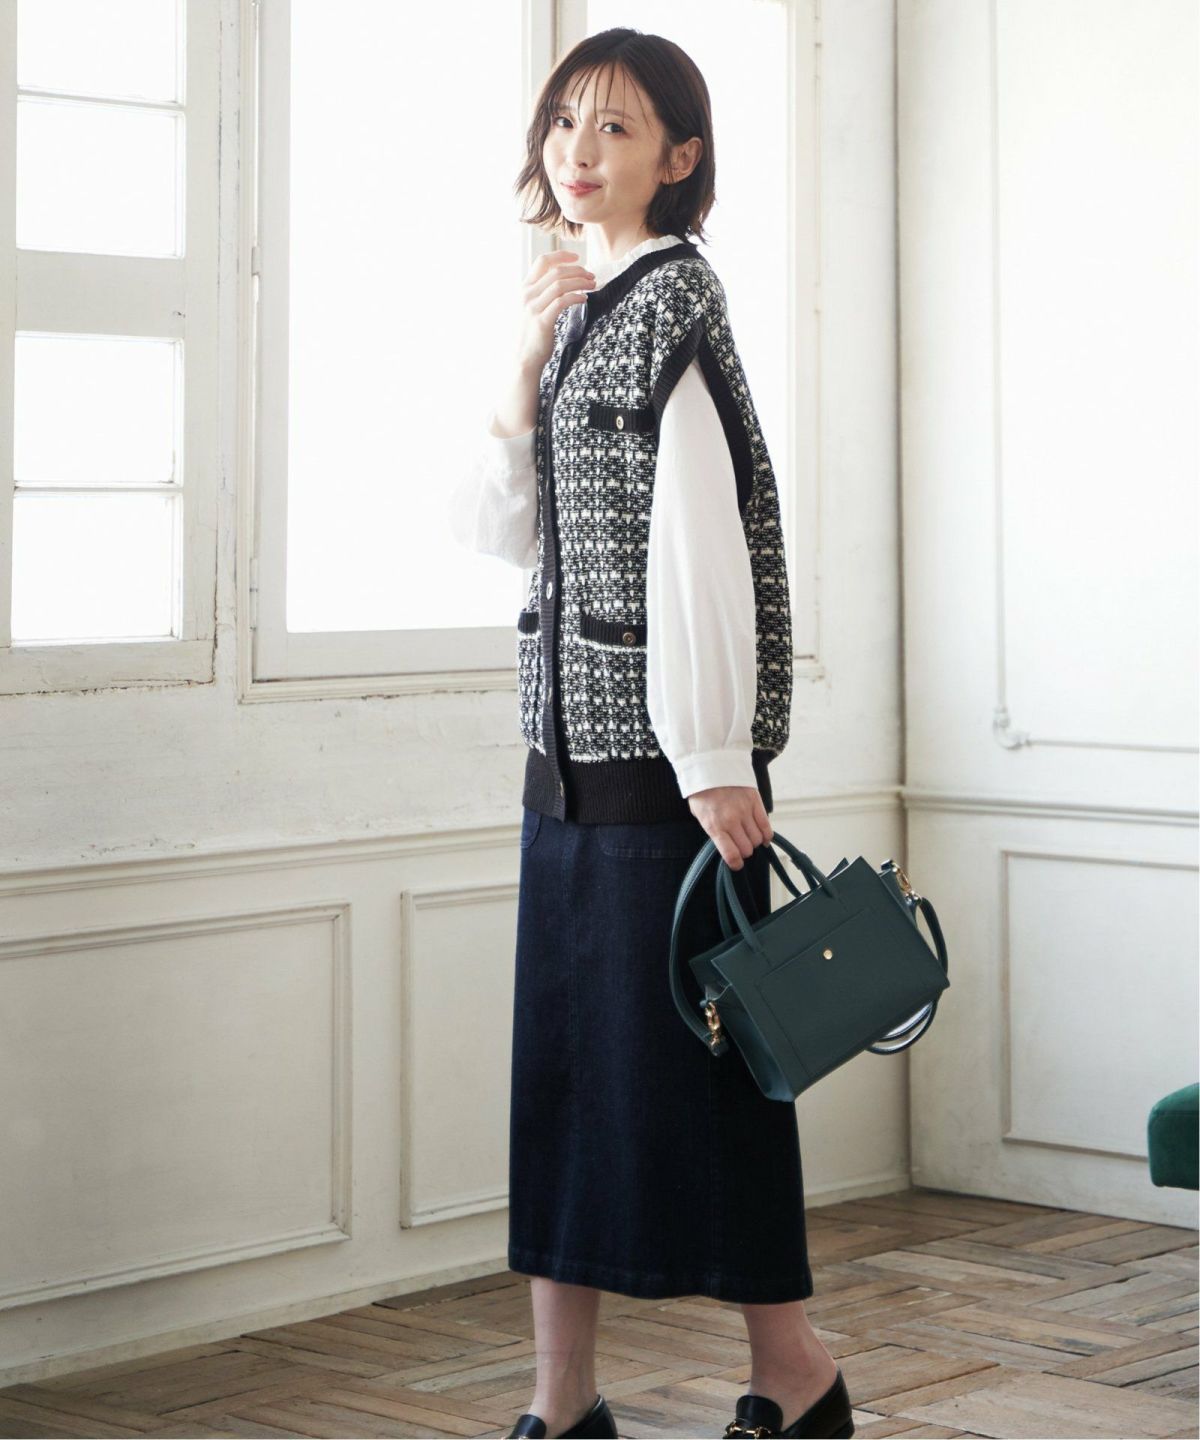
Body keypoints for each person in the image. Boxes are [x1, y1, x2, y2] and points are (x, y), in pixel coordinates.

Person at [448, 27, 854, 1440]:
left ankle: (796, 1373)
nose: (580, 150)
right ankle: (562, 1399)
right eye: (567, 120)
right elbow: (504, 534)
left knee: (714, 1076)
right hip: (563, 768)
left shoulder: (673, 301)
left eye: (616, 128)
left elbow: (705, 550)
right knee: (561, 1088)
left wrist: (716, 758)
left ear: (678, 158)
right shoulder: (574, 302)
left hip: (660, 777)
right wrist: (521, 359)